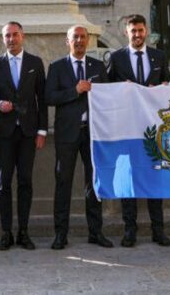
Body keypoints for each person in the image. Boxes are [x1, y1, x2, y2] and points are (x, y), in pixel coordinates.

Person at [45, 25, 113, 250]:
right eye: (76, 37)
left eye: (83, 37)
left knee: (93, 183)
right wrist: (75, 90)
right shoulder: (57, 67)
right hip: (67, 133)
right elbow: (50, 97)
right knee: (62, 183)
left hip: (93, 133)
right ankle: (60, 234)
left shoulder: (97, 66)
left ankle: (96, 232)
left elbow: (107, 96)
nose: (80, 41)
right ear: (68, 41)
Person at [107, 14, 170, 247]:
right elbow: (107, 90)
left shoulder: (159, 56)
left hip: (153, 129)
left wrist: (163, 88)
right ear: (126, 32)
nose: (137, 35)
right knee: (128, 178)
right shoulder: (116, 58)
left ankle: (158, 230)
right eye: (133, 31)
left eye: (140, 30)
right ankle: (129, 230)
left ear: (146, 31)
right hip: (126, 129)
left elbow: (168, 85)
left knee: (155, 178)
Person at [0, 21, 47, 250]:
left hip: (28, 132)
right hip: (3, 131)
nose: (11, 39)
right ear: (3, 39)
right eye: (7, 36)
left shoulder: (35, 63)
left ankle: (23, 232)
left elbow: (41, 98)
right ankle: (6, 233)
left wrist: (42, 130)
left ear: (23, 36)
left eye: (15, 35)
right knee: (3, 184)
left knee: (25, 181)